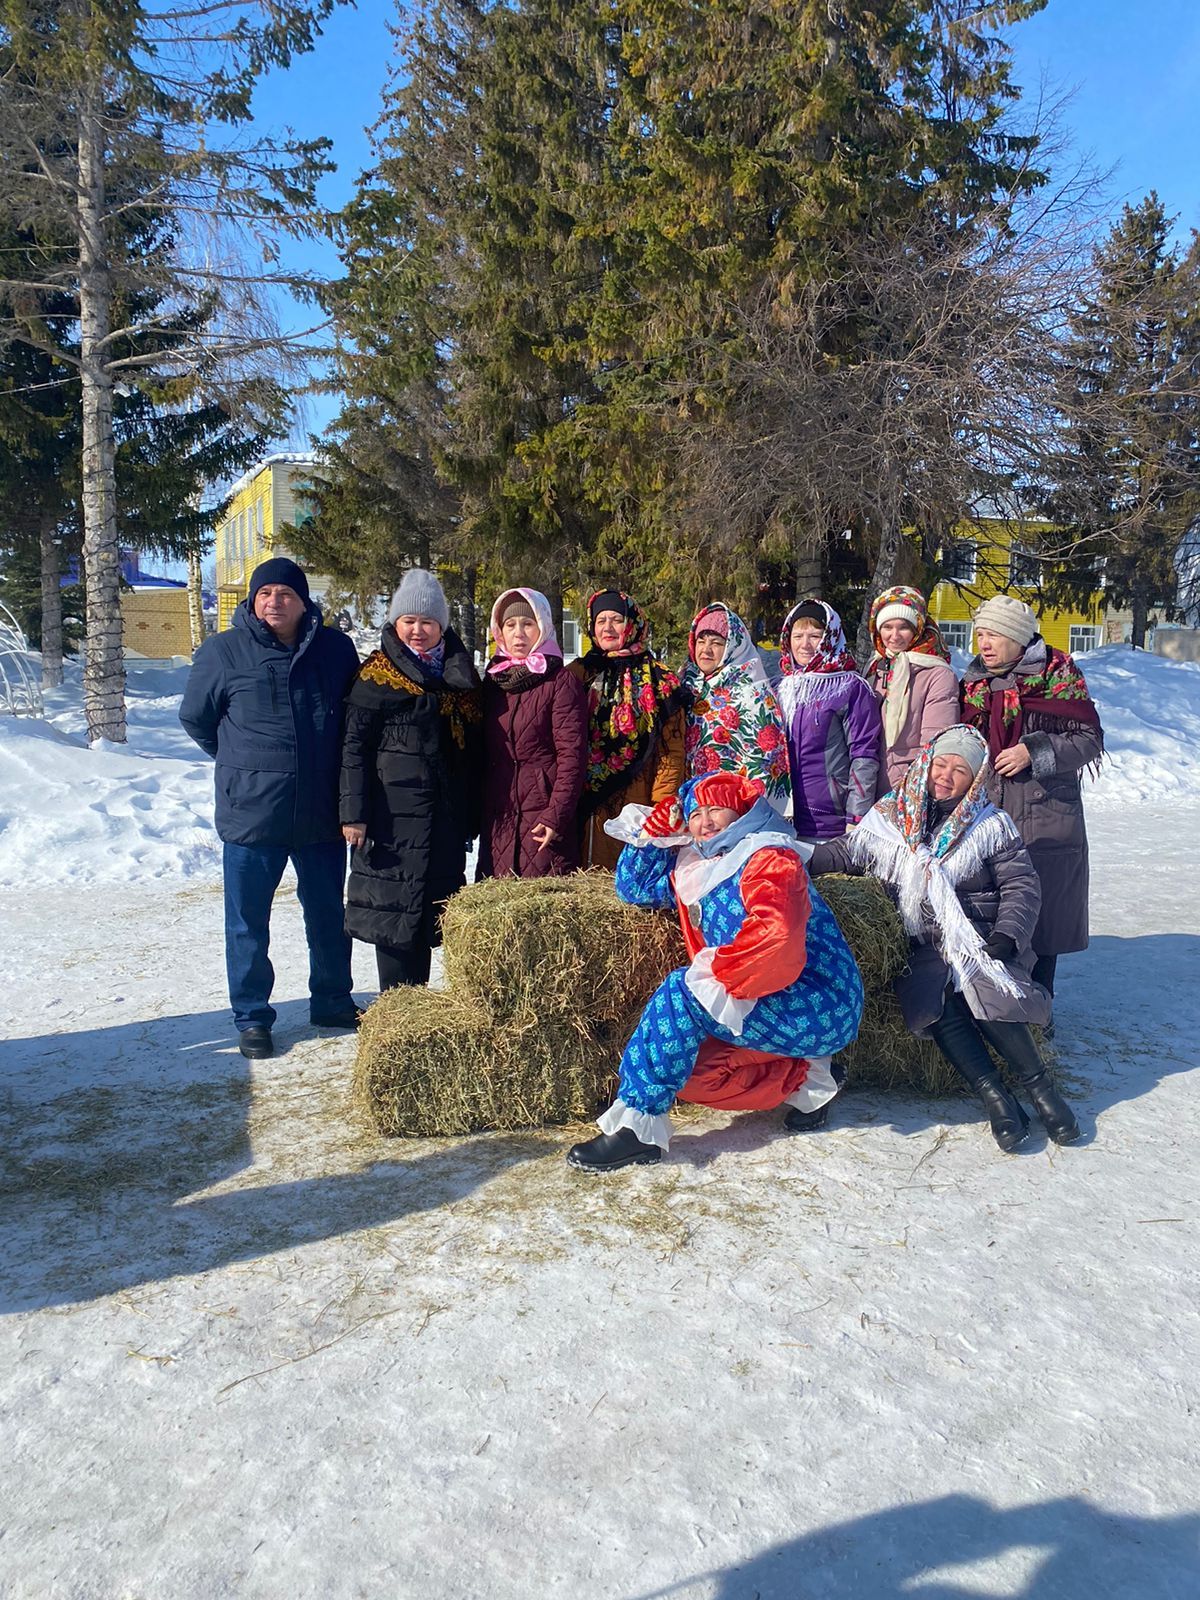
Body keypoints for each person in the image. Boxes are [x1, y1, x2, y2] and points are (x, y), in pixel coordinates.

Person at [566, 773, 864, 1171]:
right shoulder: (700, 865)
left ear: (740, 811)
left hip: (814, 998)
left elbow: (778, 934)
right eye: (695, 814)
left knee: (680, 992)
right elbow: (634, 889)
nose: (705, 822)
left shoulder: (768, 856)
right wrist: (655, 840)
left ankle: (636, 1132)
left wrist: (715, 980)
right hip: (763, 996)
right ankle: (810, 1078)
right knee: (691, 1075)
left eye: (716, 810)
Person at [809, 725, 1079, 1151]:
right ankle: (996, 1098)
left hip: (981, 937)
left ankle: (1042, 1090)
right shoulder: (892, 817)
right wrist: (797, 857)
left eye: (959, 770)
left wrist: (1008, 935)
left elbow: (1022, 886)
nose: (945, 775)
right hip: (926, 946)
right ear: (926, 764)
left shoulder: (991, 823)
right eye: (940, 763)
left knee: (985, 989)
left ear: (975, 780)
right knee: (937, 1004)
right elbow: (846, 852)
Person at [180, 557, 361, 1058]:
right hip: (252, 814)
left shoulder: (335, 649)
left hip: (321, 810)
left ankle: (331, 999)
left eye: (285, 593)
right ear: (252, 601)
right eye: (265, 593)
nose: (274, 601)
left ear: (304, 602)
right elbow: (196, 719)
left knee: (327, 913)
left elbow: (352, 720)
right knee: (247, 921)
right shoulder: (223, 651)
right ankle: (253, 1017)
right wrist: (242, 765)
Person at [339, 569, 483, 990]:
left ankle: (417, 1008)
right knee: (394, 918)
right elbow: (353, 751)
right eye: (409, 621)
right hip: (389, 823)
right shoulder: (375, 678)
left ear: (442, 626)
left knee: (428, 916)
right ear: (395, 623)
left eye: (428, 622)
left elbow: (473, 755)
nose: (418, 631)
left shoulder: (461, 679)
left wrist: (470, 816)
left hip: (442, 823)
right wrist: (354, 814)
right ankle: (396, 1013)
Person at [960, 596, 1104, 1006]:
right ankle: (999, 1005)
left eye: (994, 635)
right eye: (980, 634)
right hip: (988, 809)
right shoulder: (973, 682)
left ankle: (1041, 1007)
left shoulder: (1059, 675)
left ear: (1018, 639)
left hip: (1045, 811)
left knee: (1045, 917)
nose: (983, 644)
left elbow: (1089, 739)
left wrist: (1033, 751)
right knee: (994, 908)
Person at [569, 588, 690, 870]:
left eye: (616, 619)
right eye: (601, 621)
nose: (608, 628)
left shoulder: (660, 680)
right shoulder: (578, 674)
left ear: (632, 624)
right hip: (584, 802)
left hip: (638, 799)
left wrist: (660, 806)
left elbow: (670, 751)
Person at [478, 586, 589, 878]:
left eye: (528, 624)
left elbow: (572, 756)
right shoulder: (493, 682)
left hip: (543, 817)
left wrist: (556, 815)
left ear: (542, 627)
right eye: (510, 625)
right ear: (499, 630)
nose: (518, 633)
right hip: (499, 817)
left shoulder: (560, 682)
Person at [777, 598, 882, 843]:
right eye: (798, 636)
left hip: (832, 822)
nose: (805, 645)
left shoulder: (848, 687)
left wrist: (856, 818)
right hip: (783, 819)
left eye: (815, 636)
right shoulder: (780, 687)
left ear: (830, 636)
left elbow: (864, 755)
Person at [681, 602, 791, 811]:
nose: (706, 649)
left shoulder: (752, 692)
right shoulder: (686, 686)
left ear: (733, 646)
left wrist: (745, 808)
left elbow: (765, 760)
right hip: (691, 806)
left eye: (716, 643)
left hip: (732, 809)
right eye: (701, 641)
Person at [863, 586, 959, 790]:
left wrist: (913, 787)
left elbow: (936, 741)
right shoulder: (873, 668)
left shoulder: (937, 673)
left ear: (918, 628)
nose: (894, 635)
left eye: (904, 627)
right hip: (868, 781)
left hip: (909, 783)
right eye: (887, 627)